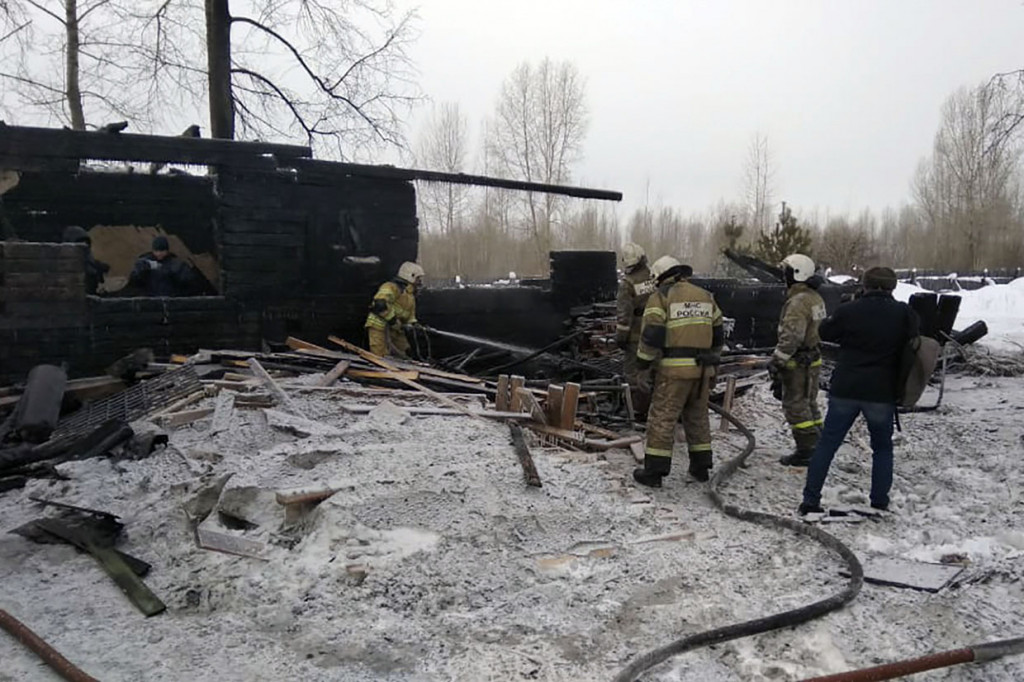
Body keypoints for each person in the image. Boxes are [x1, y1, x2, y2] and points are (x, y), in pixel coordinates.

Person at [799, 266, 920, 514]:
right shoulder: (904, 313)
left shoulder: (849, 310)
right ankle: (879, 501)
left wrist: (844, 309)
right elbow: (916, 340)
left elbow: (825, 332)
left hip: (846, 387)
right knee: (882, 448)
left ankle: (810, 501)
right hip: (881, 391)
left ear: (865, 284)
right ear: (892, 286)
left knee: (827, 445)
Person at [633, 255, 724, 487]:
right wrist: (713, 364)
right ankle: (701, 468)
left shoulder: (661, 297)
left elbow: (651, 336)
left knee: (663, 418)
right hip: (702, 371)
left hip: (673, 372)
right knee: (697, 417)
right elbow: (718, 334)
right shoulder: (705, 296)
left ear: (659, 277)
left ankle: (654, 472)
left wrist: (642, 367)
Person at [771, 253, 828, 467]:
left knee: (795, 407)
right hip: (812, 359)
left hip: (798, 363)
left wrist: (777, 361)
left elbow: (792, 336)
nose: (783, 276)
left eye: (786, 272)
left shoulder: (797, 302)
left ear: (796, 274)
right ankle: (820, 444)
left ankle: (807, 450)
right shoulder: (815, 297)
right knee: (809, 403)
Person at [615, 242, 656, 418]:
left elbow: (624, 314)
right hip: (657, 332)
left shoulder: (628, 283)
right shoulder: (654, 277)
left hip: (636, 335)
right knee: (654, 370)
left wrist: (621, 337)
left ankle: (637, 411)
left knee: (633, 373)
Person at [364, 261, 425, 358]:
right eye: (418, 278)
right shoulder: (391, 287)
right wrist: (392, 320)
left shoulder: (410, 296)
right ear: (410, 276)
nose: (420, 282)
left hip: (395, 328)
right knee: (380, 357)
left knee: (404, 352)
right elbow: (380, 304)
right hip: (379, 326)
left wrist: (414, 325)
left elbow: (410, 316)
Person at [128, 235, 196, 297]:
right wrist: (142, 269)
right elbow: (134, 281)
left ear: (167, 251)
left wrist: (172, 273)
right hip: (149, 299)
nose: (159, 254)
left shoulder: (177, 264)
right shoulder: (144, 262)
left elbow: (190, 282)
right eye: (156, 251)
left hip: (170, 299)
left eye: (162, 251)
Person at [62, 225, 110, 295]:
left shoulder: (87, 255)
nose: (84, 245)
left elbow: (93, 266)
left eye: (85, 242)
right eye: (80, 242)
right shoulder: (66, 260)